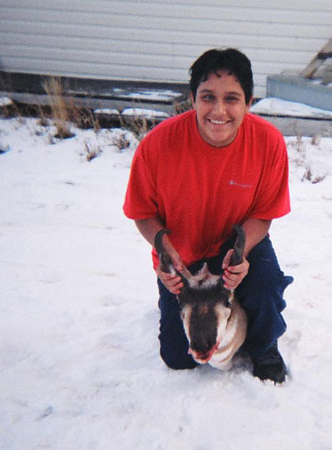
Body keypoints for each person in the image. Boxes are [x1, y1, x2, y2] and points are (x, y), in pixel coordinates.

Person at [123, 48, 293, 383]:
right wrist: (163, 248)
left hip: (237, 243)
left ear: (248, 101)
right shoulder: (158, 145)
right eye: (207, 97)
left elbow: (263, 214)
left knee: (266, 286)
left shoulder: (268, 143)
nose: (219, 110)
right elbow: (141, 213)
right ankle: (202, 306)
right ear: (192, 98)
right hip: (180, 256)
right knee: (180, 359)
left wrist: (241, 254)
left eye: (232, 98)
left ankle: (263, 343)